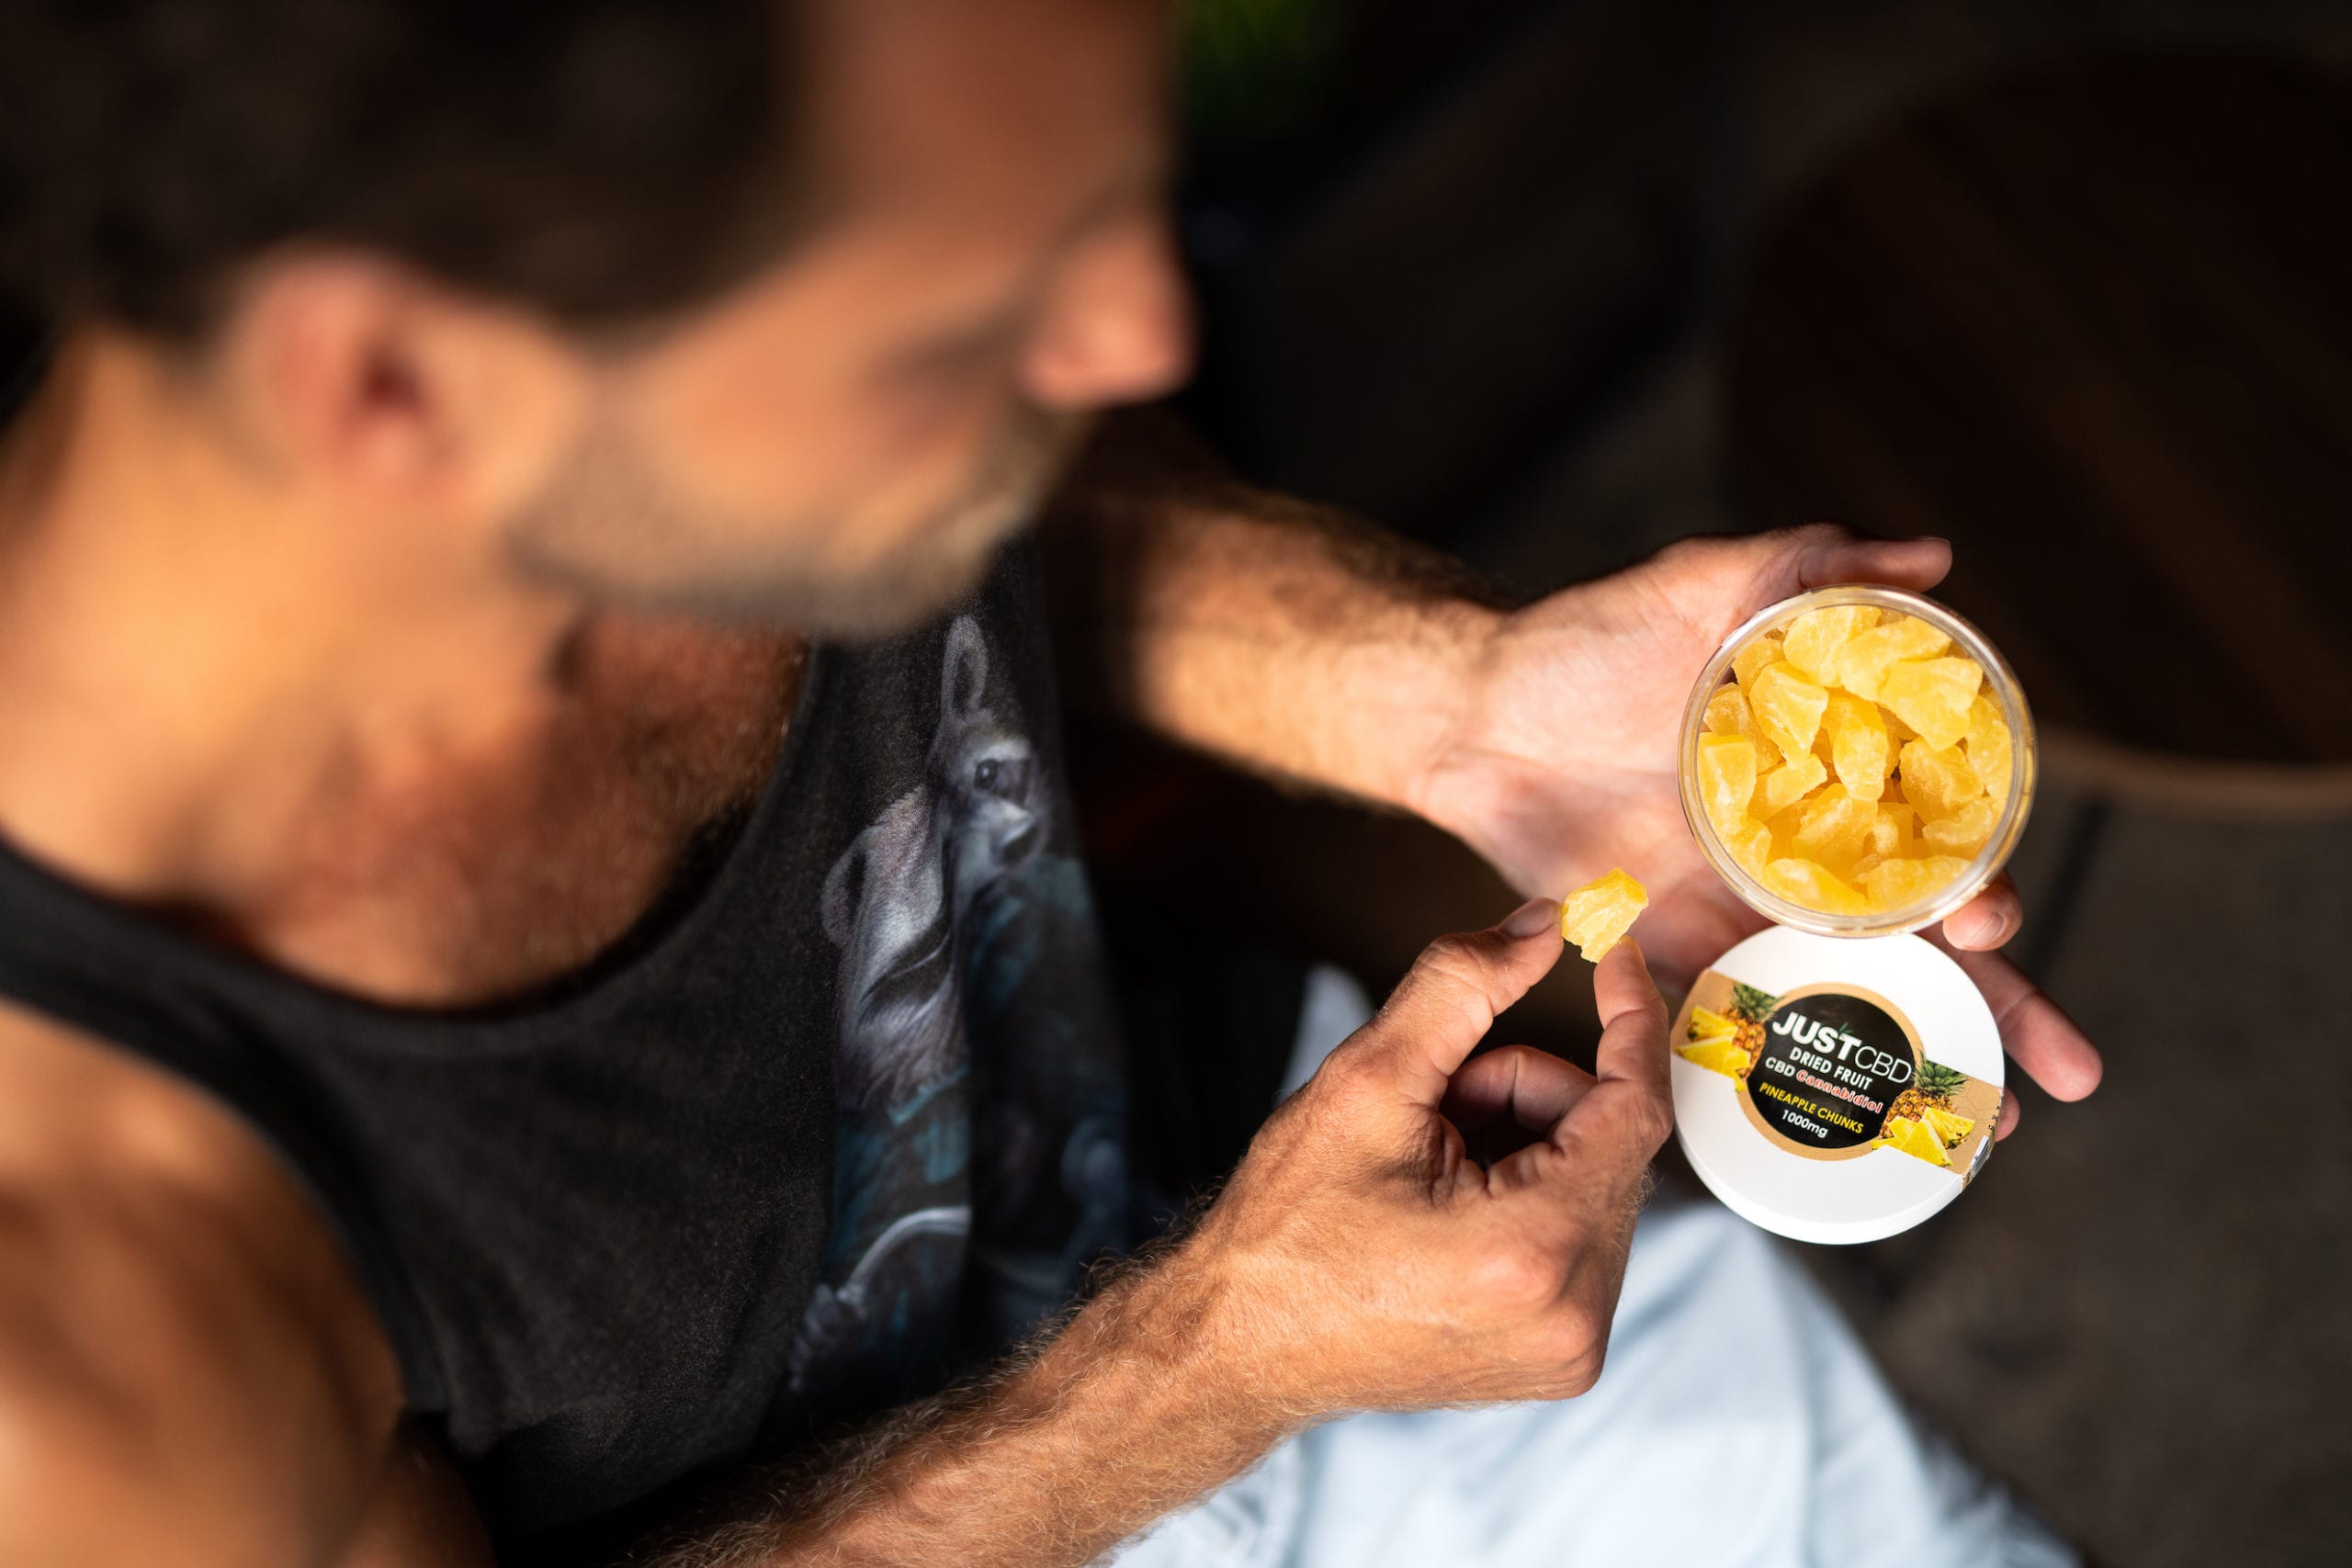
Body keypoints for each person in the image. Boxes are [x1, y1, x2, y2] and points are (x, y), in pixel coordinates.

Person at [0, 1, 2102, 1564]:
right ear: (388, 383)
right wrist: (1214, 1366)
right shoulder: (80, 1352)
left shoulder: (598, 356)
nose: (1143, 336)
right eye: (969, 321)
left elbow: (942, 504)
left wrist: (1441, 695)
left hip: (1247, 1165)